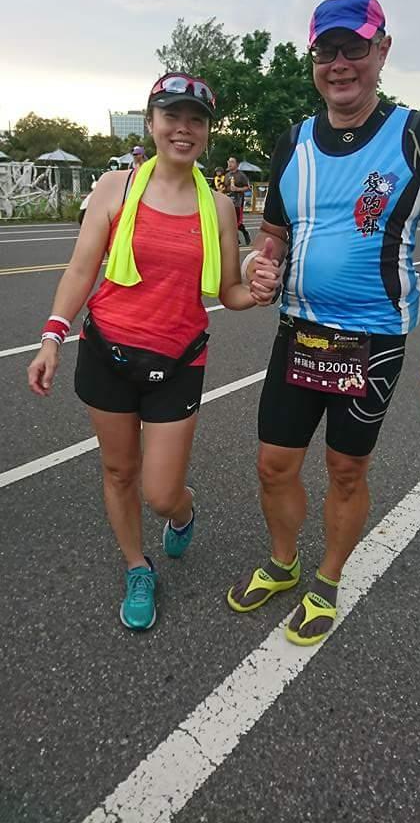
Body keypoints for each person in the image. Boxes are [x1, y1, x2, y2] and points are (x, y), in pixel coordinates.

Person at [228, 0, 420, 647]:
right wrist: (258, 263)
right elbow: (274, 235)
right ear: (314, 61)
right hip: (299, 331)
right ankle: (284, 562)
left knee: (345, 469)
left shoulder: (418, 136)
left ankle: (328, 579)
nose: (339, 63)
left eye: (354, 47)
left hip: (372, 338)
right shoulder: (292, 142)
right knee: (273, 464)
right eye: (326, 50)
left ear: (381, 51)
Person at [28, 71, 280, 632]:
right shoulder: (114, 188)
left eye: (196, 120)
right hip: (107, 353)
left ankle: (183, 514)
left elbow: (229, 292)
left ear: (207, 132)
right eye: (171, 116)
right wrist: (51, 337)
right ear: (151, 123)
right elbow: (82, 269)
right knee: (119, 472)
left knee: (162, 493)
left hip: (178, 361)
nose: (182, 129)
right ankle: (137, 567)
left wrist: (260, 290)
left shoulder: (219, 206)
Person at [225, 156, 251, 245]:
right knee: (228, 221)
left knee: (237, 222)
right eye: (229, 161)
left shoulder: (241, 175)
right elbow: (225, 187)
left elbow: (247, 187)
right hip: (228, 201)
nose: (230, 163)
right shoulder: (227, 175)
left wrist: (237, 189)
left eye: (232, 162)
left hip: (238, 201)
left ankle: (245, 233)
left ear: (237, 164)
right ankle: (236, 239)